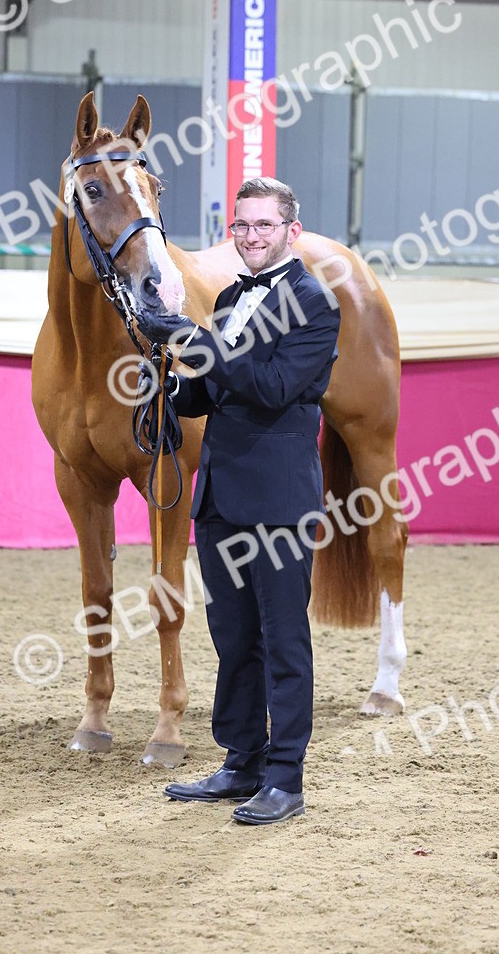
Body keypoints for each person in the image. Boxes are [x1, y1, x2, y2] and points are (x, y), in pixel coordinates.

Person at [143, 177, 340, 825]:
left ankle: (286, 777)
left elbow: (275, 386)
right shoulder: (229, 298)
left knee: (284, 639)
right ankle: (241, 759)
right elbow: (215, 389)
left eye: (264, 224)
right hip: (221, 497)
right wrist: (170, 387)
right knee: (232, 636)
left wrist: (195, 341)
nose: (251, 236)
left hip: (279, 501)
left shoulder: (315, 302)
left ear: (292, 229)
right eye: (242, 225)